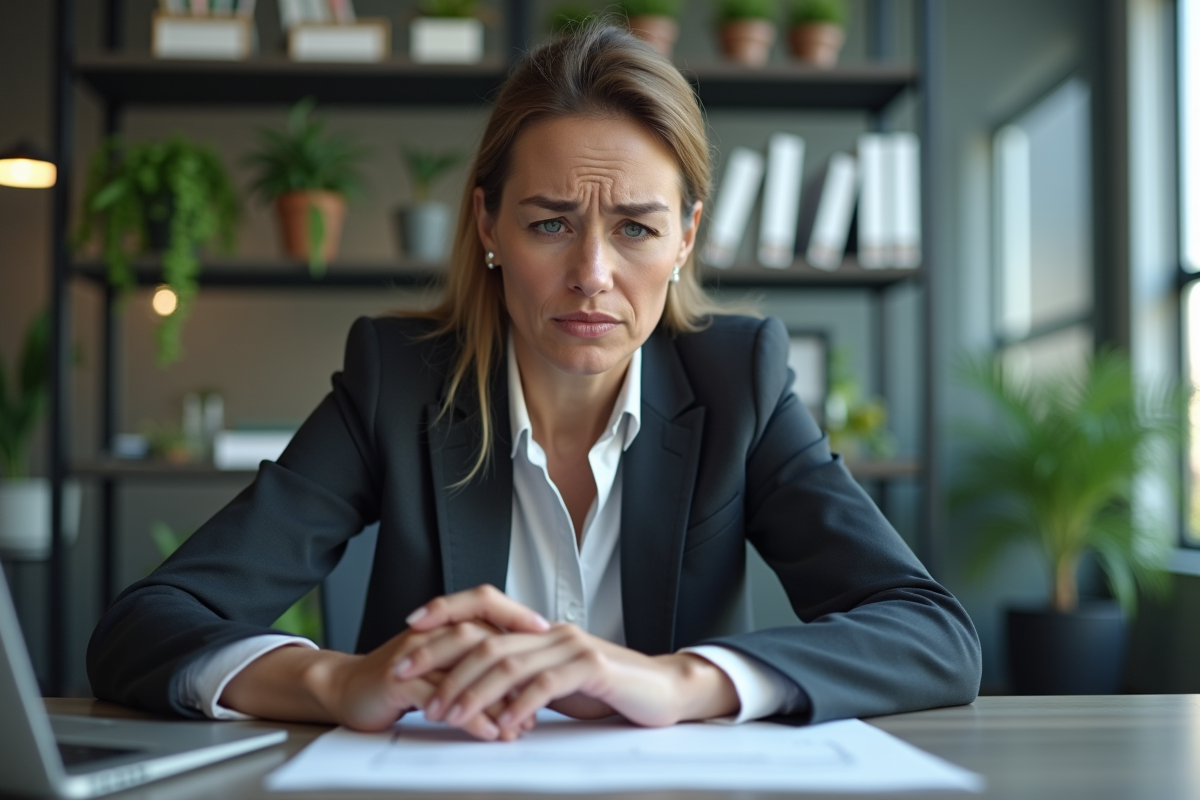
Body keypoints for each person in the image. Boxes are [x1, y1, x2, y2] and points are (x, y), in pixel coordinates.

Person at [87, 23, 981, 742]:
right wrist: (334, 678)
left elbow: (931, 633)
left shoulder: (739, 383)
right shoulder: (396, 383)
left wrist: (678, 681)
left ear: (686, 240)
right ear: (487, 222)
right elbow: (146, 626)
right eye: (552, 224)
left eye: (635, 229)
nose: (592, 272)